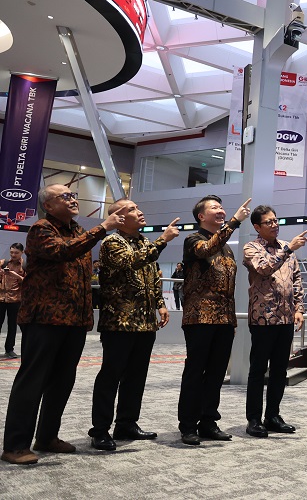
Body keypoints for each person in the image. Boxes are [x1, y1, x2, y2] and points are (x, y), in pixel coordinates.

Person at [1, 185, 124, 465]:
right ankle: (15, 446)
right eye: (65, 196)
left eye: (73, 195)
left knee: (62, 381)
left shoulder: (78, 230)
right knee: (32, 381)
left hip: (74, 320)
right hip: (45, 318)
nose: (72, 199)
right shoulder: (41, 229)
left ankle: (46, 437)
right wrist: (103, 228)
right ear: (48, 205)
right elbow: (62, 252)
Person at [88, 200, 181, 451]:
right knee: (111, 376)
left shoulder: (144, 242)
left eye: (138, 208)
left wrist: (160, 304)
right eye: (131, 209)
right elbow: (132, 261)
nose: (139, 212)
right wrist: (163, 240)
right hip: (119, 322)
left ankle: (126, 423)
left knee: (136, 376)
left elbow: (153, 276)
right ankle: (100, 430)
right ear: (119, 218)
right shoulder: (112, 242)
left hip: (144, 322)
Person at [177, 195, 251, 446]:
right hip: (199, 316)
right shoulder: (193, 239)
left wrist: (232, 320)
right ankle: (188, 425)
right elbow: (206, 250)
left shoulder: (226, 246)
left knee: (217, 373)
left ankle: (208, 421)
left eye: (221, 207)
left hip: (223, 319)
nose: (220, 210)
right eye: (214, 208)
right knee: (195, 372)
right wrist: (234, 222)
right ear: (201, 216)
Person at [242, 206, 307, 437]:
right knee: (258, 370)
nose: (275, 225)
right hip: (263, 319)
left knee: (279, 371)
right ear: (257, 226)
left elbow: (296, 280)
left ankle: (272, 416)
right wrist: (288, 249)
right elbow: (263, 268)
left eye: (276, 220)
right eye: (269, 222)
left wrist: (299, 309)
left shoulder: (287, 248)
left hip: (286, 318)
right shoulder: (251, 248)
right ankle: (253, 419)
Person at [0, 243, 25, 359]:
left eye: (16, 253)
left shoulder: (24, 266)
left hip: (15, 299)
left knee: (12, 326)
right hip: (1, 298)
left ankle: (9, 349)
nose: (13, 255)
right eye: (11, 252)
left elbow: (28, 282)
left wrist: (17, 276)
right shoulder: (3, 263)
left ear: (22, 253)